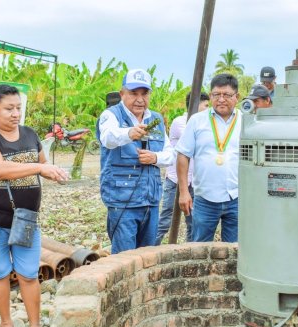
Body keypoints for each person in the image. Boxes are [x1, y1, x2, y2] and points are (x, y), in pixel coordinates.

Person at [0, 84, 68, 327]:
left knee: (28, 274)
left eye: (18, 108)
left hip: (25, 219)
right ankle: (6, 324)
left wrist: (52, 173)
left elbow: (42, 162)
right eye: (8, 109)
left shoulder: (29, 134)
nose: (15, 114)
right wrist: (39, 167)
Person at [98, 69, 174, 253]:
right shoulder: (111, 115)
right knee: (124, 257)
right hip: (122, 200)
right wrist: (129, 133)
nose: (140, 99)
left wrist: (155, 158)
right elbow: (108, 138)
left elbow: (171, 153)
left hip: (151, 199)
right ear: (122, 94)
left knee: (147, 255)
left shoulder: (155, 119)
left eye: (144, 93)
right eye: (133, 93)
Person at [176, 74, 241, 242]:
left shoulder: (245, 121)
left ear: (237, 97)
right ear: (210, 96)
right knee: (199, 248)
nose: (221, 99)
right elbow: (183, 155)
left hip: (237, 197)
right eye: (216, 95)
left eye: (226, 95)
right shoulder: (197, 121)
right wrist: (183, 192)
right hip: (205, 198)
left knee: (235, 251)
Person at [155, 91, 209, 245]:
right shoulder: (181, 122)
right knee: (166, 220)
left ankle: (189, 253)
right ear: (196, 105)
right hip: (175, 180)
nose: (207, 109)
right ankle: (150, 249)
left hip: (193, 181)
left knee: (192, 222)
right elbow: (199, 139)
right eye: (206, 105)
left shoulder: (203, 123)